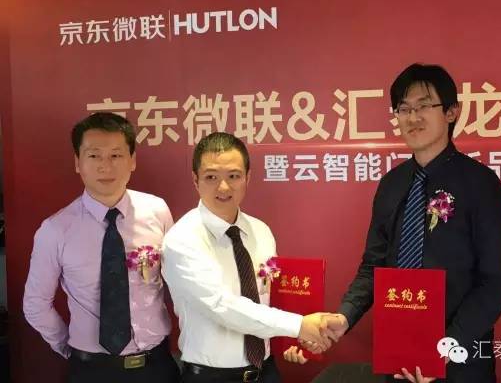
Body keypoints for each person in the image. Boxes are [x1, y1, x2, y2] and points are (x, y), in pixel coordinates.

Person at [323, 63, 501, 383]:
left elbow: (493, 283)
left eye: (424, 106)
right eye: (404, 108)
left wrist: (446, 346)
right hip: (399, 357)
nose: (412, 117)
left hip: (460, 362)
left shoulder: (481, 184)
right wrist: (346, 315)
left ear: (451, 112)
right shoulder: (392, 184)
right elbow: (373, 266)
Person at [162, 132, 334, 383]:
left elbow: (271, 298)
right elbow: (221, 306)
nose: (223, 187)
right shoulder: (182, 239)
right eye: (211, 177)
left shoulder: (261, 231)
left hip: (266, 371)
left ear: (247, 178)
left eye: (233, 176)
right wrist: (298, 325)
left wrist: (297, 340)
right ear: (196, 180)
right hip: (212, 377)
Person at [23, 112, 179, 383]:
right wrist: (69, 347)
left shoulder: (157, 211)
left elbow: (175, 283)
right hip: (92, 370)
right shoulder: (55, 230)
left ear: (132, 160)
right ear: (78, 162)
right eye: (94, 156)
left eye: (116, 155)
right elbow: (35, 304)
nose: (106, 166)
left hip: (156, 365)